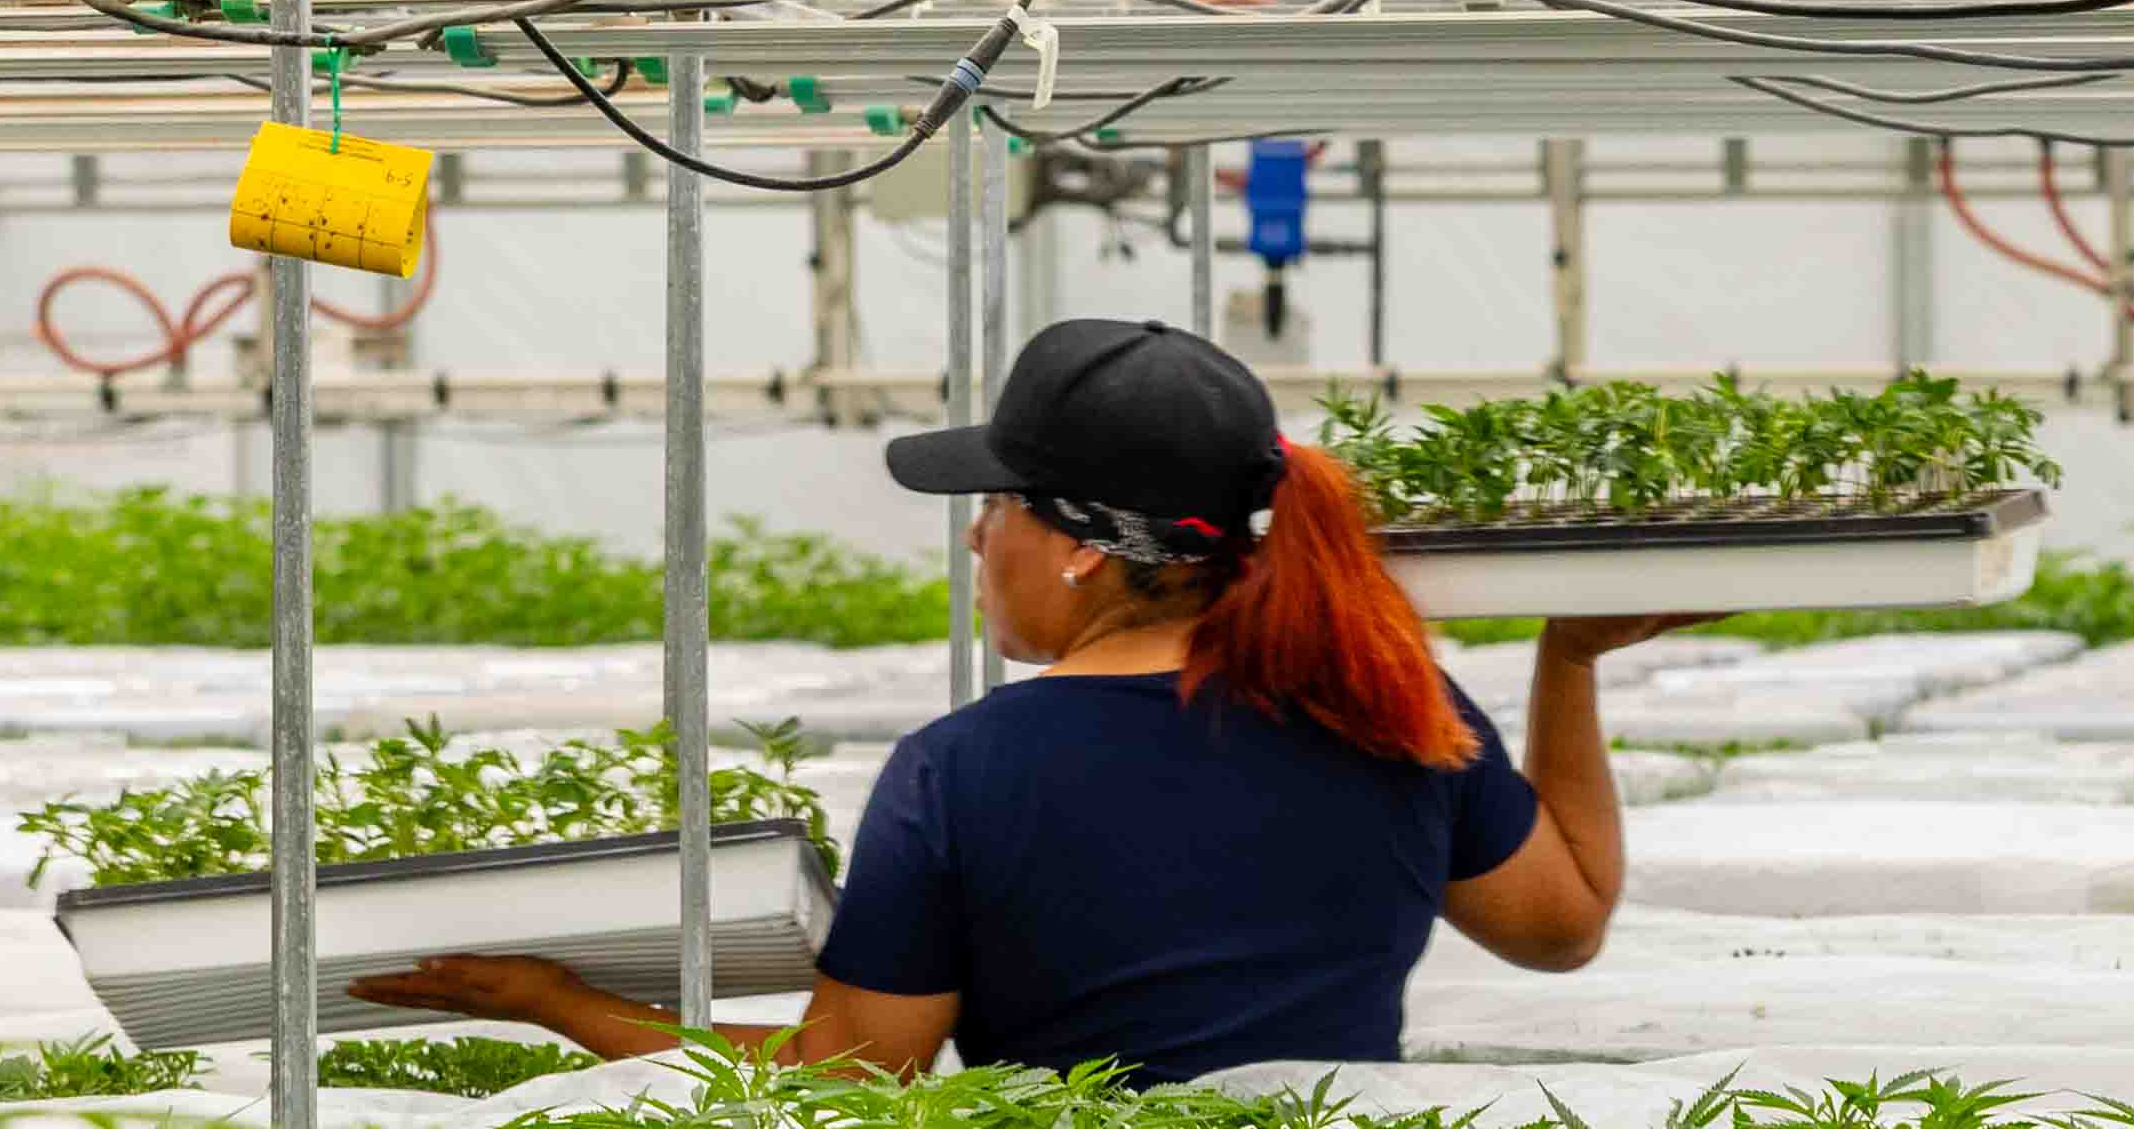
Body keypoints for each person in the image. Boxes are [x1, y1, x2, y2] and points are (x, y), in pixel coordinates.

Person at [362, 314, 1656, 1080]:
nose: (976, 540)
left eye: (993, 507)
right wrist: (1569, 660)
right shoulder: (1387, 703)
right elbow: (1563, 924)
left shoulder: (968, 771)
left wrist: (557, 1003)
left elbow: (850, 1086)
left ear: (1081, 541)